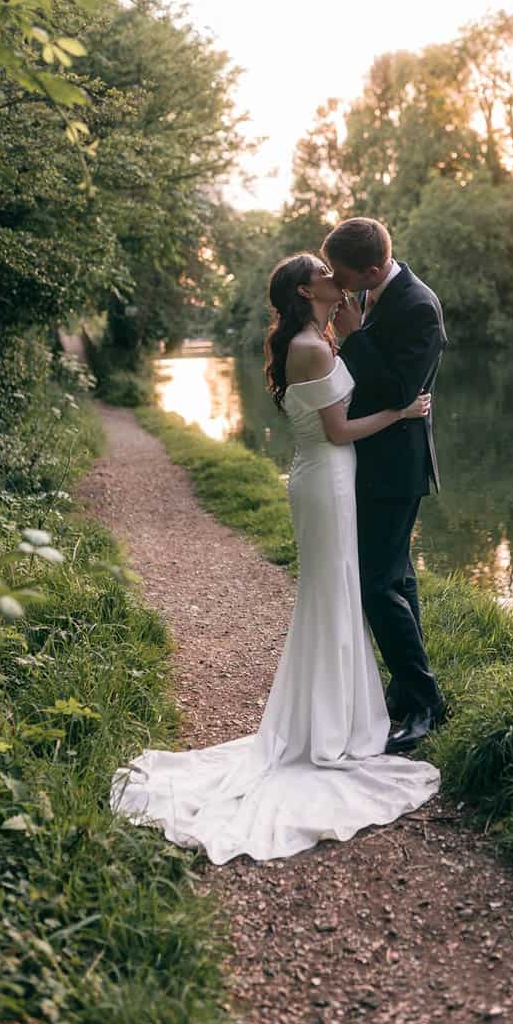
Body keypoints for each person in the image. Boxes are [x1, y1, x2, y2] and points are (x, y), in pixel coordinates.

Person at [109, 252, 440, 864]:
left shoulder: (320, 334)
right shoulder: (311, 348)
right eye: (321, 271)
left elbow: (350, 378)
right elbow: (339, 430)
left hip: (334, 478)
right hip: (326, 476)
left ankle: (341, 714)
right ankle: (325, 726)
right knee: (329, 594)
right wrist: (401, 411)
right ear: (302, 289)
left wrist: (344, 318)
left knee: (341, 589)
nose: (330, 274)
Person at [322, 217, 447, 753]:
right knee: (399, 580)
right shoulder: (375, 292)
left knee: (376, 584)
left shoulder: (418, 306)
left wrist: (355, 335)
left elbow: (401, 390)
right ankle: (405, 691)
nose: (338, 283)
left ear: (372, 269)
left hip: (398, 465)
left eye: (344, 274)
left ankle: (426, 702)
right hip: (372, 458)